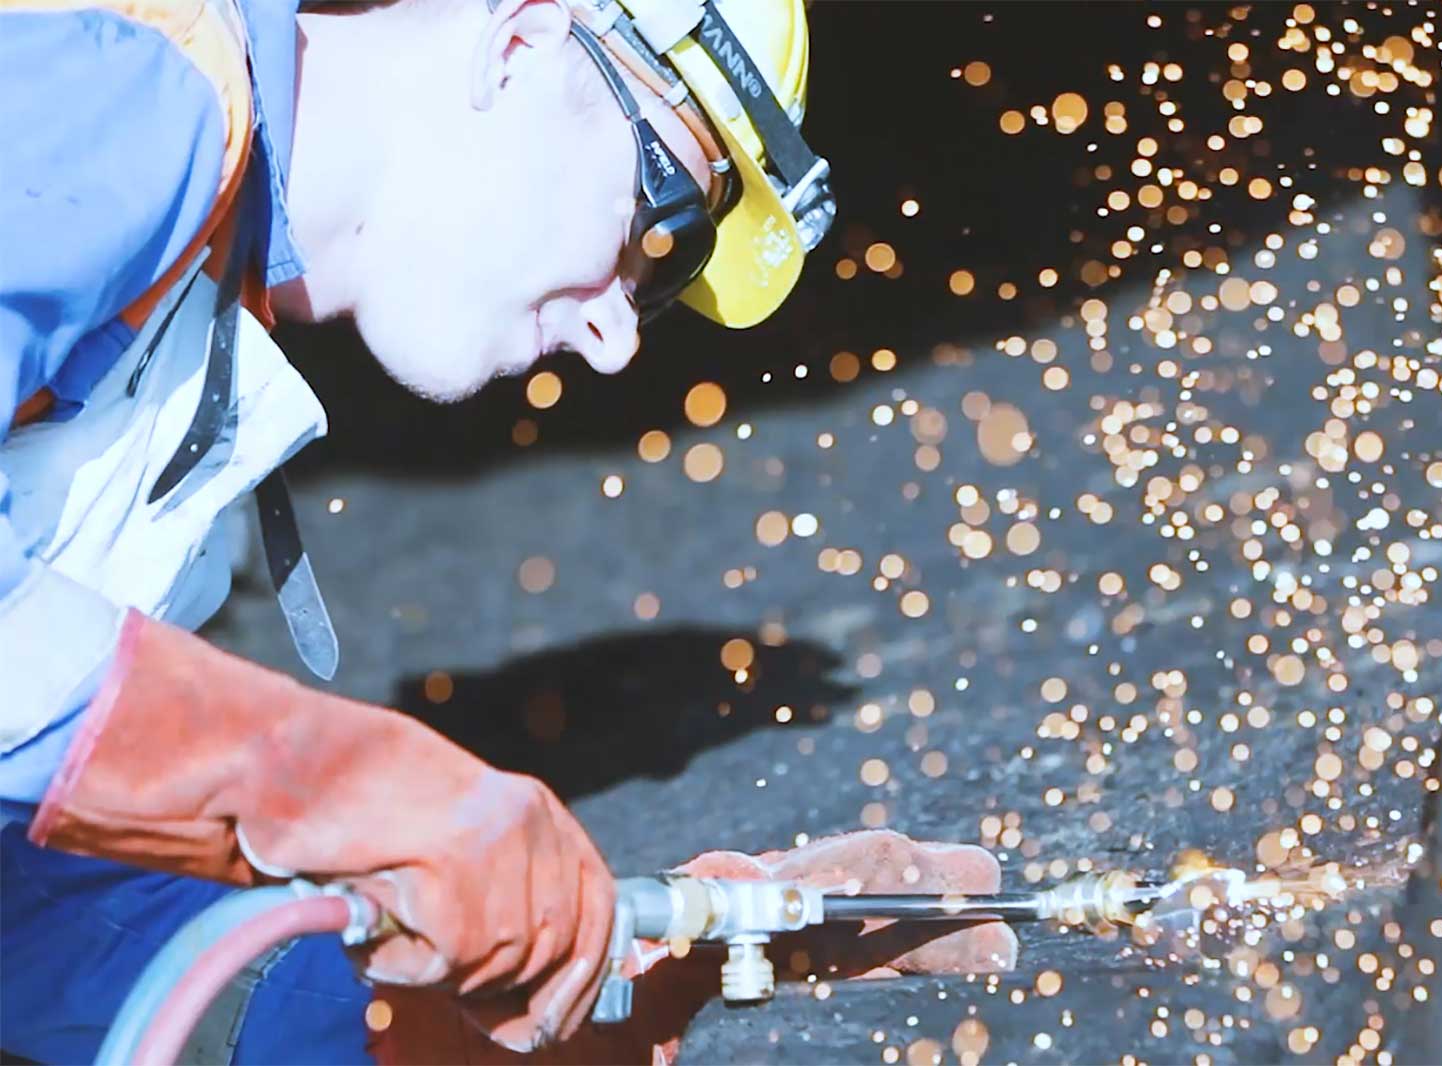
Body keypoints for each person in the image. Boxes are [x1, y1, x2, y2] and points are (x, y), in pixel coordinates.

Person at [0, 0, 1017, 1062]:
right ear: (523, 40)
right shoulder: (125, 77)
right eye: (663, 227)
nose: (617, 336)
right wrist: (341, 782)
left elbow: (48, 917)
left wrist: (618, 972)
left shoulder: (182, 325)